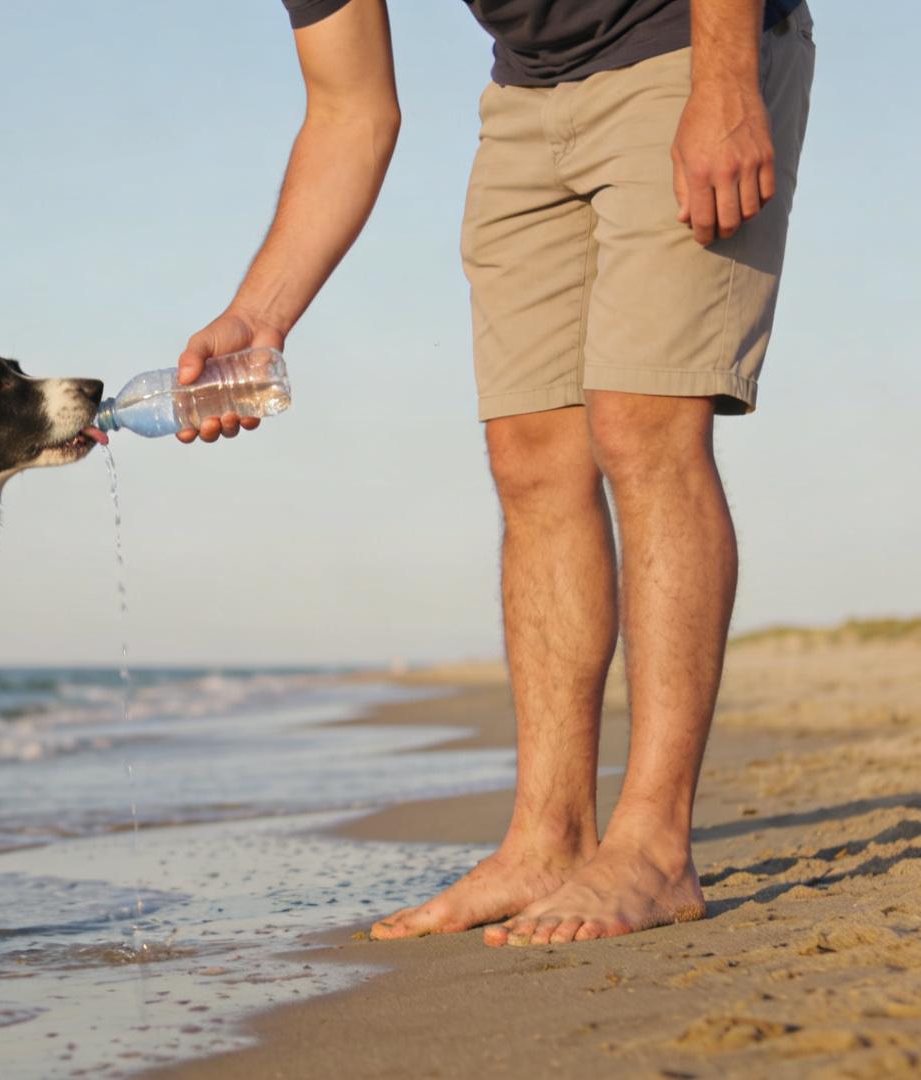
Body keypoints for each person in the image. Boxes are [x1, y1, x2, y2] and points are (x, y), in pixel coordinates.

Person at [178, 0, 813, 946]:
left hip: (687, 43)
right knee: (530, 454)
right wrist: (260, 313)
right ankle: (546, 840)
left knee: (643, 425)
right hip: (527, 98)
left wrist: (724, 83)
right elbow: (351, 108)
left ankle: (654, 846)